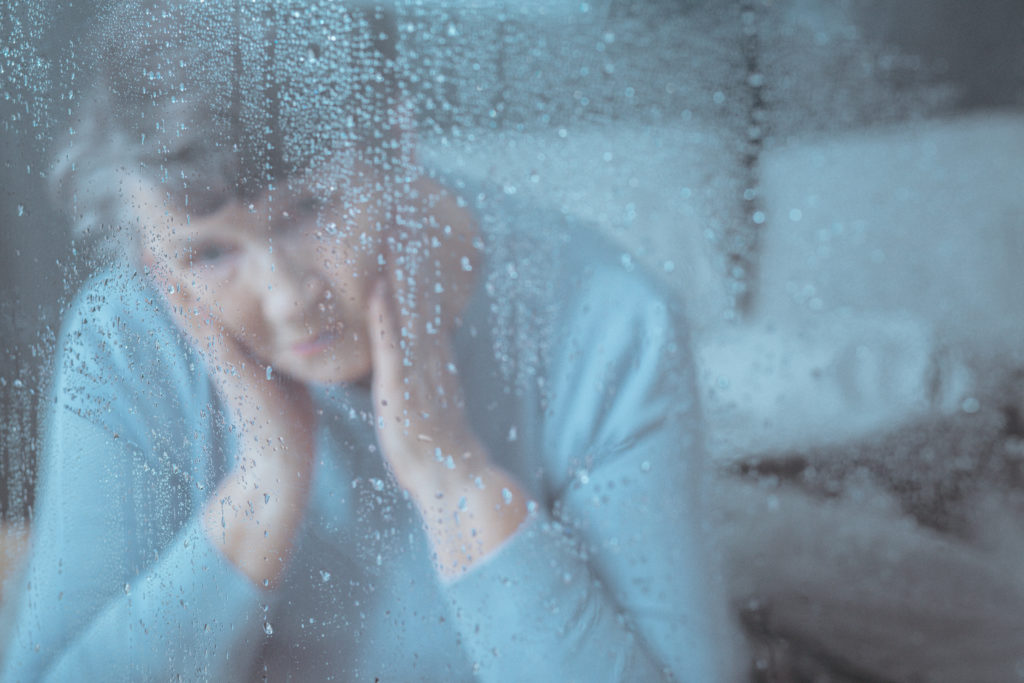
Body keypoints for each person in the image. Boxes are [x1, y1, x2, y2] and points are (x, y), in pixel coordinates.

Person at [0, 1, 741, 680]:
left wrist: (453, 471)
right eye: (208, 254)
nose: (286, 297)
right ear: (153, 257)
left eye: (311, 207)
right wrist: (266, 484)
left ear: (395, 141)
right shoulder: (124, 341)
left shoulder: (611, 324)